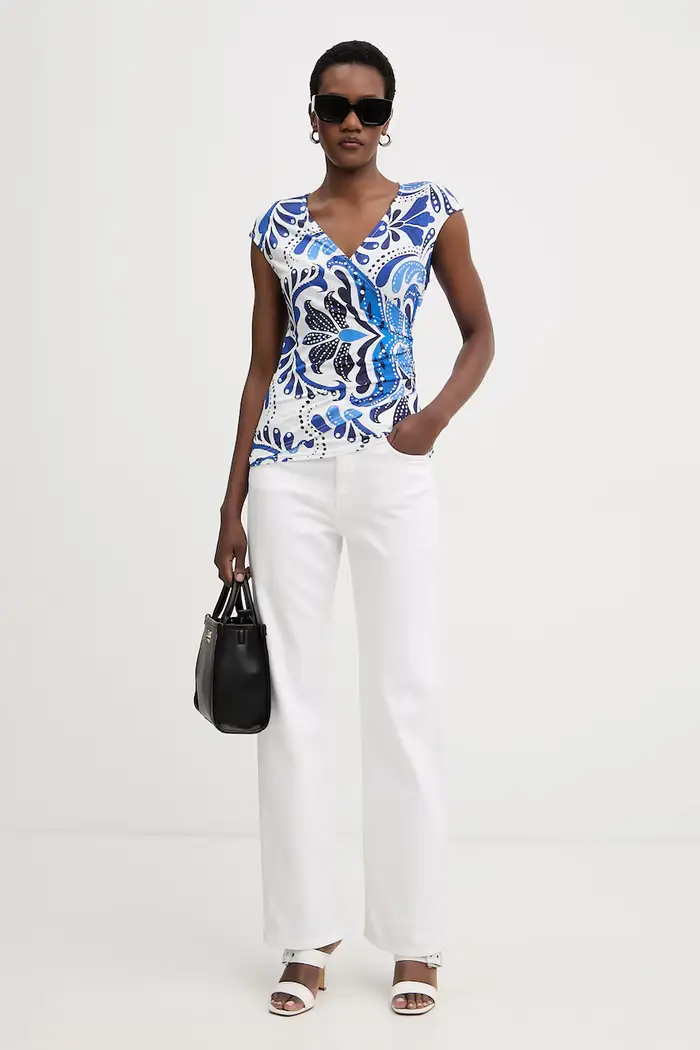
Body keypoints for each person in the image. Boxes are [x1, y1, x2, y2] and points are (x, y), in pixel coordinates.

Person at [214, 39, 495, 1017]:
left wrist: (430, 423)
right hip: (286, 475)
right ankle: (306, 937)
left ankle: (415, 939)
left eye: (368, 109)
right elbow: (261, 367)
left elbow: (480, 334)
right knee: (294, 706)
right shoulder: (275, 228)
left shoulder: (432, 211)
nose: (350, 123)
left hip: (391, 473)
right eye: (333, 106)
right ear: (311, 116)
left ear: (387, 119)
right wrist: (231, 501)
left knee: (405, 692)